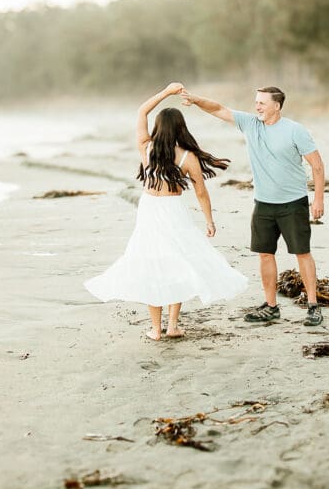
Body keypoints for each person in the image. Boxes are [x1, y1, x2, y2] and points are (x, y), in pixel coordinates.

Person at [84, 82, 248, 340]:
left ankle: (156, 329)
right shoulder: (187, 157)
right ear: (181, 129)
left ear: (158, 127)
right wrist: (209, 221)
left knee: (152, 263)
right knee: (178, 261)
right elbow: (201, 193)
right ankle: (172, 326)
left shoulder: (146, 147)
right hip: (174, 210)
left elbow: (141, 112)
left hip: (150, 209)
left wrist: (167, 92)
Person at [181, 86, 326, 326]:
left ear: (276, 106)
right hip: (263, 204)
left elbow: (317, 165)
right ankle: (271, 306)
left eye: (262, 103)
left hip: (293, 203)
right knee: (265, 254)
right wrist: (195, 100)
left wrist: (318, 199)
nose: (257, 106)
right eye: (256, 102)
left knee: (302, 253)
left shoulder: (295, 130)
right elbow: (218, 109)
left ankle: (313, 305)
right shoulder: (250, 124)